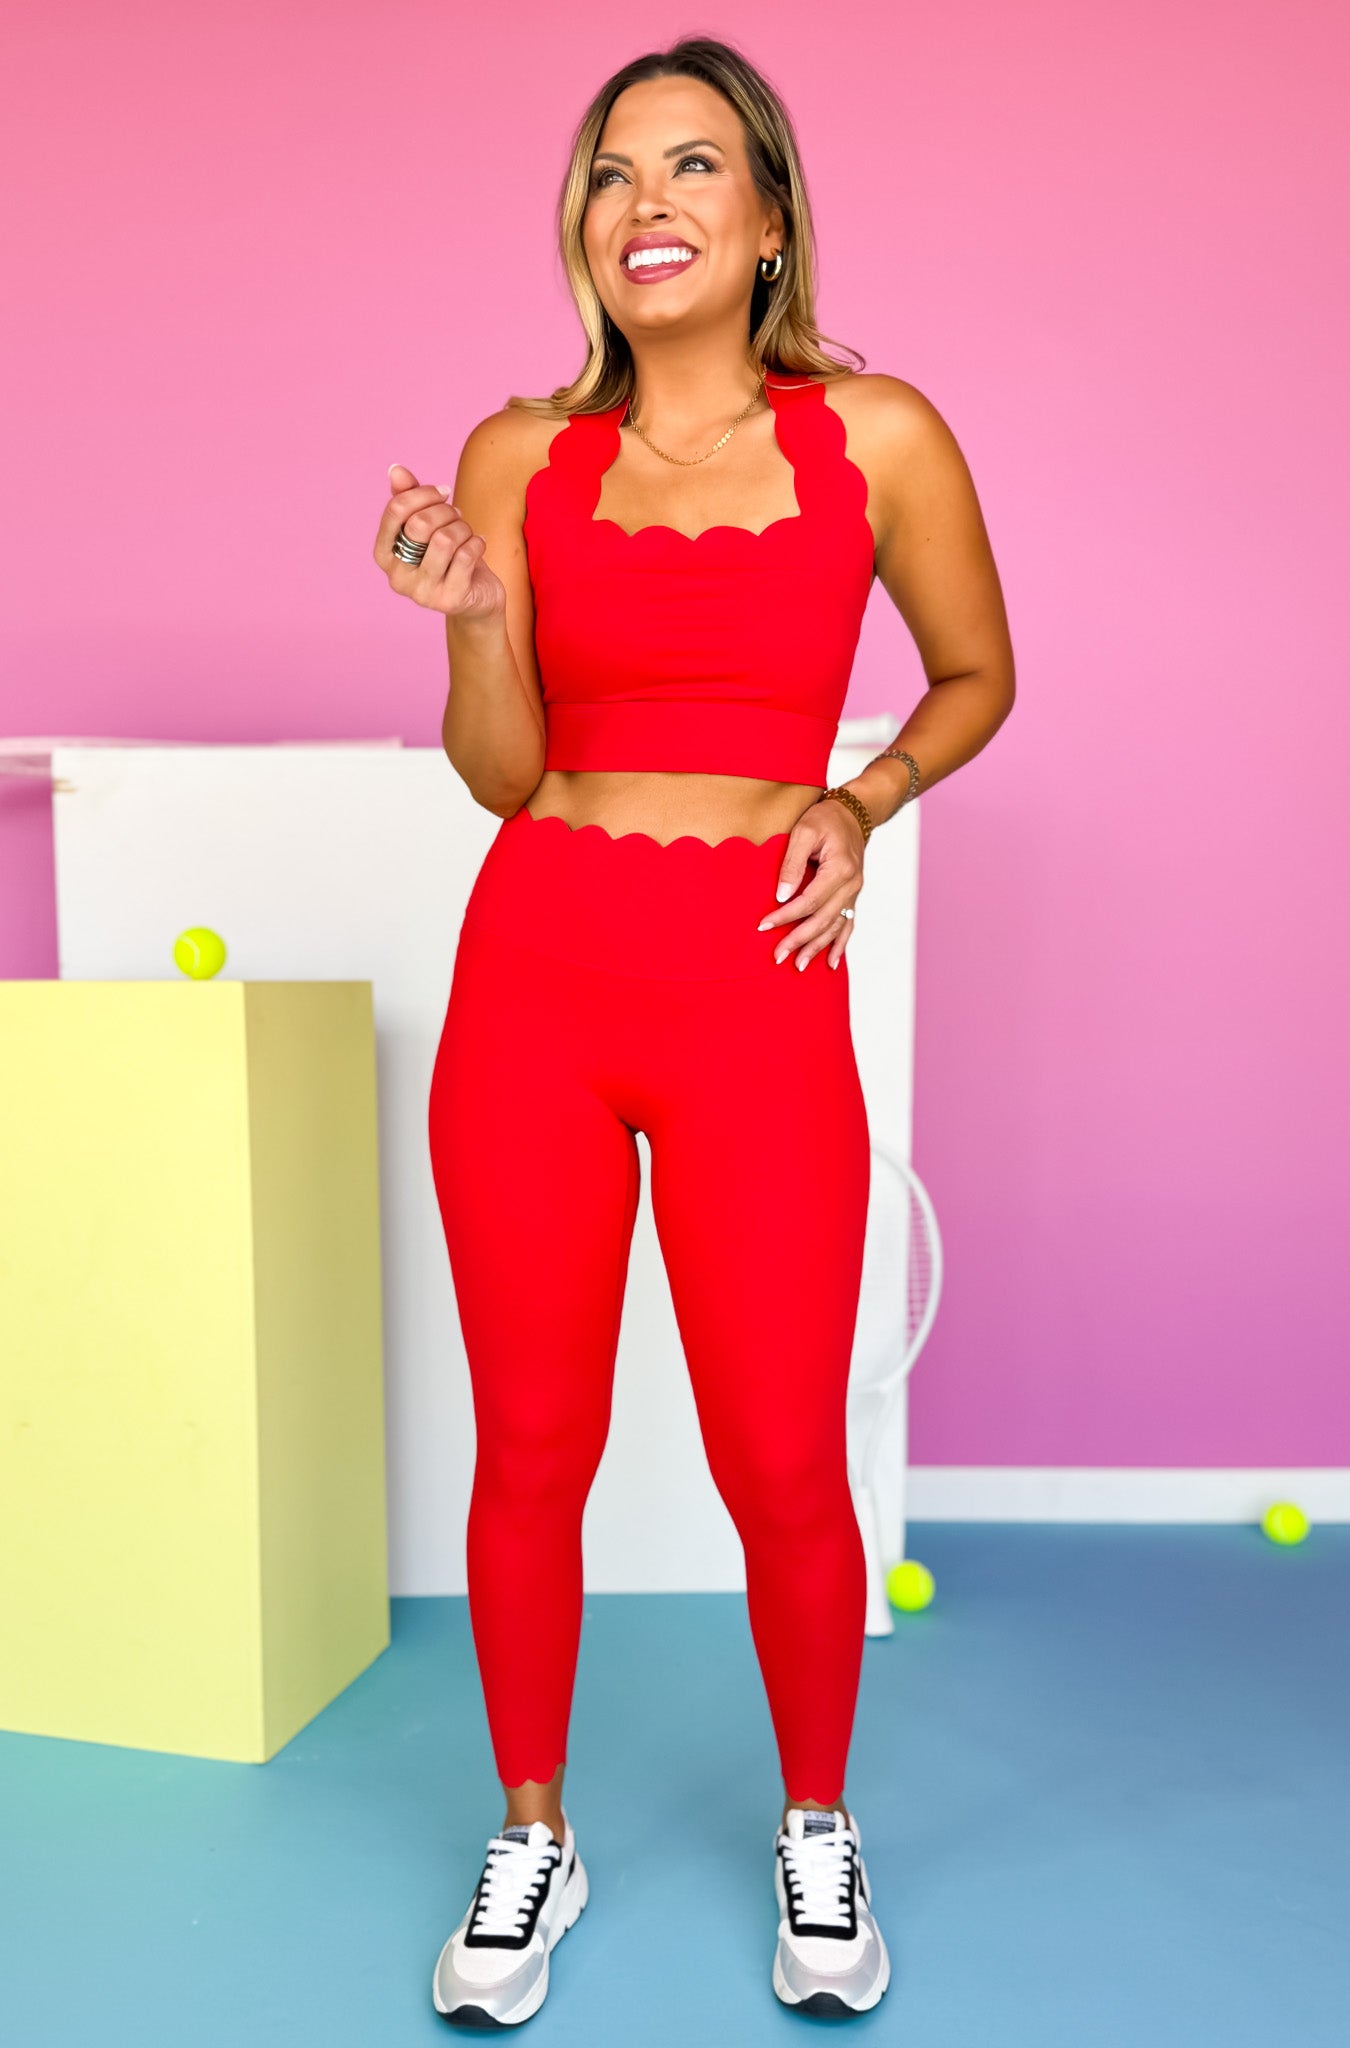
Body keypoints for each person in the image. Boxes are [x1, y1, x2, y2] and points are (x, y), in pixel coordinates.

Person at [374, 34, 1013, 2028]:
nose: (641, 203)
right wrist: (477, 619)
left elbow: (975, 672)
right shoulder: (515, 454)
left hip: (754, 987)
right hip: (537, 980)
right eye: (607, 172)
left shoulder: (876, 434)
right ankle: (531, 1832)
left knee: (780, 1454)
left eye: (690, 166)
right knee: (531, 1444)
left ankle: (816, 1824)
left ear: (767, 221)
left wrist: (861, 798)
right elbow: (502, 774)